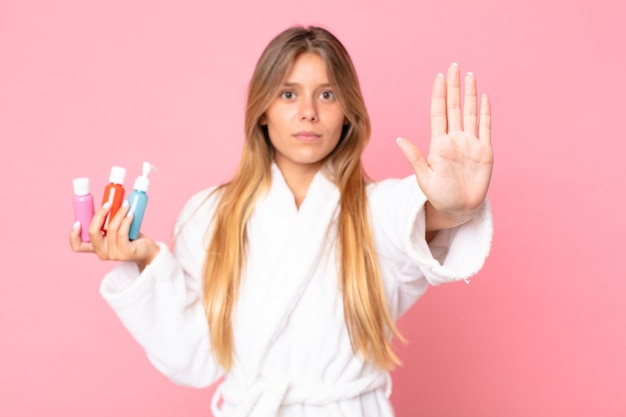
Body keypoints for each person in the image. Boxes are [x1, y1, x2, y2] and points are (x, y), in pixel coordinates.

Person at [69, 25, 493, 417]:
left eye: (327, 95)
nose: (308, 111)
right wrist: (146, 259)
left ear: (348, 110)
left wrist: (453, 207)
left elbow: (415, 213)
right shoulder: (208, 215)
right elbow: (192, 358)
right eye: (288, 94)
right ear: (263, 109)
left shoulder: (375, 210)